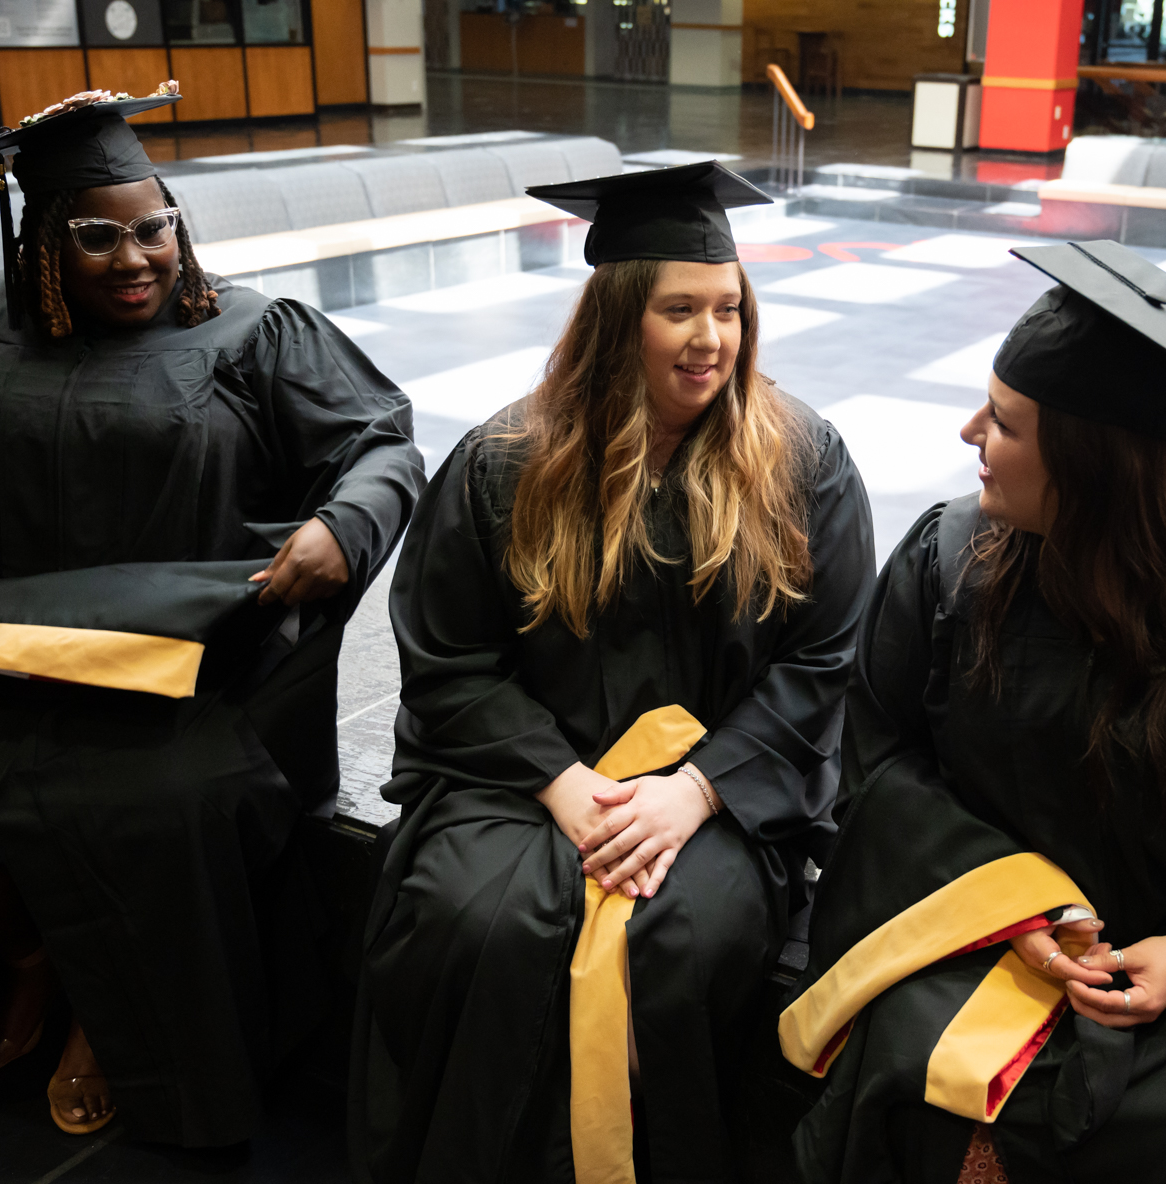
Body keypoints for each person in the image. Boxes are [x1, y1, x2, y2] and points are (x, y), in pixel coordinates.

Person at [779, 241, 1166, 1183]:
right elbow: (875, 753)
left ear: (1090, 463)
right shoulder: (950, 559)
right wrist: (1009, 907)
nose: (968, 435)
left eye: (1002, 422)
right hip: (986, 935)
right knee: (916, 1072)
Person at [0, 87, 424, 1145]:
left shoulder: (256, 330)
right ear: (41, 245)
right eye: (99, 236)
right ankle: (37, 965)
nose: (137, 258)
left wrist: (347, 522)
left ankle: (116, 1030)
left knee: (155, 804)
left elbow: (382, 442)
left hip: (190, 678)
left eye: (156, 227)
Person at [350, 161, 875, 1183]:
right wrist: (564, 785)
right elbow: (449, 660)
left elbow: (826, 659)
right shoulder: (508, 458)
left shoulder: (801, 458)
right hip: (525, 779)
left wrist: (692, 792)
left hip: (723, 789)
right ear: (616, 316)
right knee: (483, 921)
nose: (710, 337)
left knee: (674, 937)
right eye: (679, 309)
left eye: (727, 308)